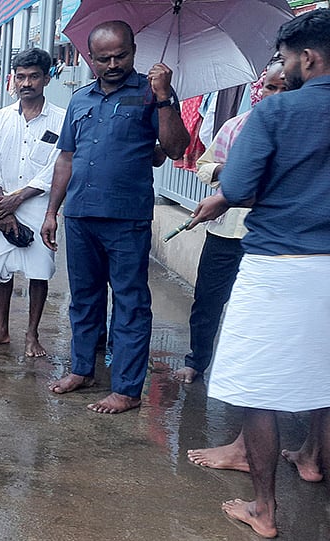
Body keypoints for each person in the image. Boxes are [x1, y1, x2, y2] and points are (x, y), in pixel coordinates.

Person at [185, 9, 330, 538]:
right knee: (325, 379)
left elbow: (240, 186)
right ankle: (311, 460)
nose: (284, 69)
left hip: (279, 264)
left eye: (286, 60)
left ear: (307, 58)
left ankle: (264, 509)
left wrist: (236, 189)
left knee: (256, 388)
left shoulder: (276, 113)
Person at [40, 20, 190, 414]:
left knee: (130, 303)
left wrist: (163, 98)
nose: (112, 65)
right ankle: (82, 369)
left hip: (126, 218)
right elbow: (66, 158)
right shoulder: (80, 99)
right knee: (83, 299)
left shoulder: (151, 92)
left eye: (120, 56)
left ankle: (126, 389)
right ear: (90, 58)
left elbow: (176, 148)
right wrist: (52, 212)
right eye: (103, 58)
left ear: (134, 52)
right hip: (80, 215)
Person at [177, 61, 286, 386]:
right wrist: (229, 172)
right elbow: (204, 165)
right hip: (225, 231)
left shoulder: (301, 134)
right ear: (259, 89)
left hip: (271, 237)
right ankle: (196, 361)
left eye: (285, 88)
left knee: (264, 308)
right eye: (271, 87)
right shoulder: (236, 126)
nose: (276, 95)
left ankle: (259, 374)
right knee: (208, 300)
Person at [0, 48, 63, 358]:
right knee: (2, 270)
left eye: (33, 76)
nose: (26, 83)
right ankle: (1, 328)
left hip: (40, 207)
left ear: (46, 79)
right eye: (21, 77)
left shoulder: (61, 119)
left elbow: (56, 169)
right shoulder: (0, 119)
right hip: (2, 205)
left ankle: (32, 334)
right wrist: (3, 208)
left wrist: (18, 199)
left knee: (39, 271)